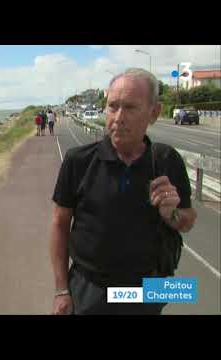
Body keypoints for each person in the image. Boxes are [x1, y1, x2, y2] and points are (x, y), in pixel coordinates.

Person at [50, 68, 197, 315]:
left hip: (150, 288)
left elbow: (187, 220)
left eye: (130, 107)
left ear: (154, 113)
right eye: (113, 106)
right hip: (90, 289)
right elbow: (59, 224)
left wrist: (171, 214)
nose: (118, 117)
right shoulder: (78, 161)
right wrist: (61, 291)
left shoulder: (166, 160)